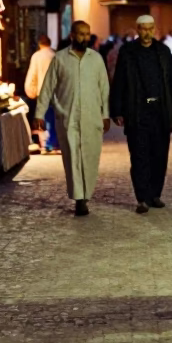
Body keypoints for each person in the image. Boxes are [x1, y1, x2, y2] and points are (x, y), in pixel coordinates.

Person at [32, 21, 110, 216]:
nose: (84, 38)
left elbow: (104, 89)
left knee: (90, 157)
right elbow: (47, 88)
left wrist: (106, 114)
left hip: (92, 117)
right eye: (80, 34)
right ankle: (79, 199)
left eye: (87, 34)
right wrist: (39, 113)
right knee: (72, 157)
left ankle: (86, 194)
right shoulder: (59, 59)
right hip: (67, 117)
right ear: (72, 35)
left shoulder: (96, 59)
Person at [110, 14, 172, 213]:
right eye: (143, 28)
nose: (147, 32)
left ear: (155, 30)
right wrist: (116, 109)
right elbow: (119, 82)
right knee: (139, 155)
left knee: (159, 154)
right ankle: (142, 197)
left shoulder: (163, 51)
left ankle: (155, 194)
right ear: (137, 29)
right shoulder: (128, 52)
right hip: (137, 111)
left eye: (150, 28)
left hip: (160, 111)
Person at [24, 34, 58, 153]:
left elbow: (32, 74)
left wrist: (30, 89)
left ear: (40, 44)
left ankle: (49, 143)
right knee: (54, 117)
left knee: (46, 117)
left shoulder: (36, 56)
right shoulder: (55, 55)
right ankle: (54, 142)